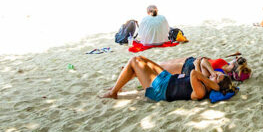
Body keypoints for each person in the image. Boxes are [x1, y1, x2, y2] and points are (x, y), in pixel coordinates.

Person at [98, 55, 234, 101]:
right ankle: (117, 87)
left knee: (134, 61)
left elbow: (194, 74)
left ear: (216, 86)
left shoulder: (201, 92)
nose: (215, 74)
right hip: (168, 78)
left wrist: (211, 82)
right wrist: (211, 78)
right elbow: (198, 68)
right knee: (142, 59)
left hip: (159, 89)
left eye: (217, 77)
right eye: (218, 73)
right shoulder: (205, 83)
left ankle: (113, 92)